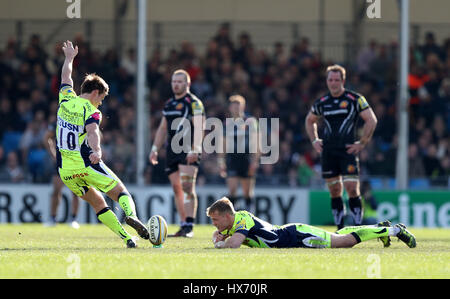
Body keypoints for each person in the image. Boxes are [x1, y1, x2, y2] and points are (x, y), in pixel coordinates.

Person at [56, 40, 149, 248]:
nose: (101, 103)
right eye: (102, 98)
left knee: (97, 203)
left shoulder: (65, 99)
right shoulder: (91, 110)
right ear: (96, 92)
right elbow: (93, 131)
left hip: (65, 170)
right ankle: (132, 215)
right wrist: (97, 150)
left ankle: (127, 239)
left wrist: (69, 58)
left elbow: (66, 77)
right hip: (86, 163)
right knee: (121, 192)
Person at [305, 64, 378, 230]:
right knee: (335, 190)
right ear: (327, 81)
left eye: (337, 80)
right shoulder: (322, 102)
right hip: (329, 152)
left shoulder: (355, 99)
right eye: (330, 79)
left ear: (343, 80)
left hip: (348, 151)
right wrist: (314, 140)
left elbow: (371, 120)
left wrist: (363, 142)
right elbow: (309, 120)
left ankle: (358, 227)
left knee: (352, 188)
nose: (333, 83)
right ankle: (340, 228)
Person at [207, 197, 416, 249]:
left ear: (227, 215)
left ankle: (394, 230)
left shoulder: (242, 219)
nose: (215, 224)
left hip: (296, 236)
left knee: (345, 242)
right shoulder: (234, 225)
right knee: (340, 234)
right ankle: (377, 228)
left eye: (216, 220)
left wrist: (219, 243)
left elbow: (234, 245)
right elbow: (232, 238)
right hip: (293, 236)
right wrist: (220, 236)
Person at [149, 69, 205, 237]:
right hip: (172, 150)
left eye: (180, 82)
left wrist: (196, 148)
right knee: (177, 188)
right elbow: (162, 128)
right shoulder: (169, 104)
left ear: (187, 84)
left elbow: (200, 126)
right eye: (174, 81)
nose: (176, 84)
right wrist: (154, 149)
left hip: (188, 149)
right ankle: (183, 224)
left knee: (188, 186)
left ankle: (189, 226)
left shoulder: (193, 103)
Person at [217, 95, 259, 212]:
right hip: (232, 159)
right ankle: (232, 217)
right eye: (234, 105)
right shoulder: (226, 124)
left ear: (243, 107)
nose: (236, 108)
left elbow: (256, 143)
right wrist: (221, 162)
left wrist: (255, 161)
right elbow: (223, 145)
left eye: (238, 105)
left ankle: (250, 217)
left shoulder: (250, 122)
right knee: (232, 190)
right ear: (230, 108)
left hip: (246, 159)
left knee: (247, 192)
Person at [43, 118, 81, 228]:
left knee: (76, 191)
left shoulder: (79, 120)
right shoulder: (58, 122)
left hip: (75, 161)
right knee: (56, 190)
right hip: (61, 161)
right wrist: (53, 154)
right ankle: (53, 218)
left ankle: (73, 218)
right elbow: (46, 137)